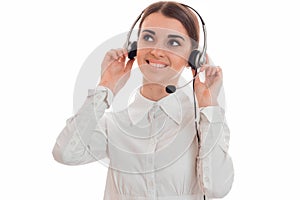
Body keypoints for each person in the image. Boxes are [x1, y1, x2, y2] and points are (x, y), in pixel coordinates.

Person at [52, 1, 234, 199]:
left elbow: (217, 188)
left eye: (173, 42)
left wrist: (208, 105)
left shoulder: (203, 125)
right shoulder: (115, 124)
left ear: (193, 57)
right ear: (134, 46)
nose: (156, 51)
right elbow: (65, 154)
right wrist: (106, 86)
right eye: (148, 37)